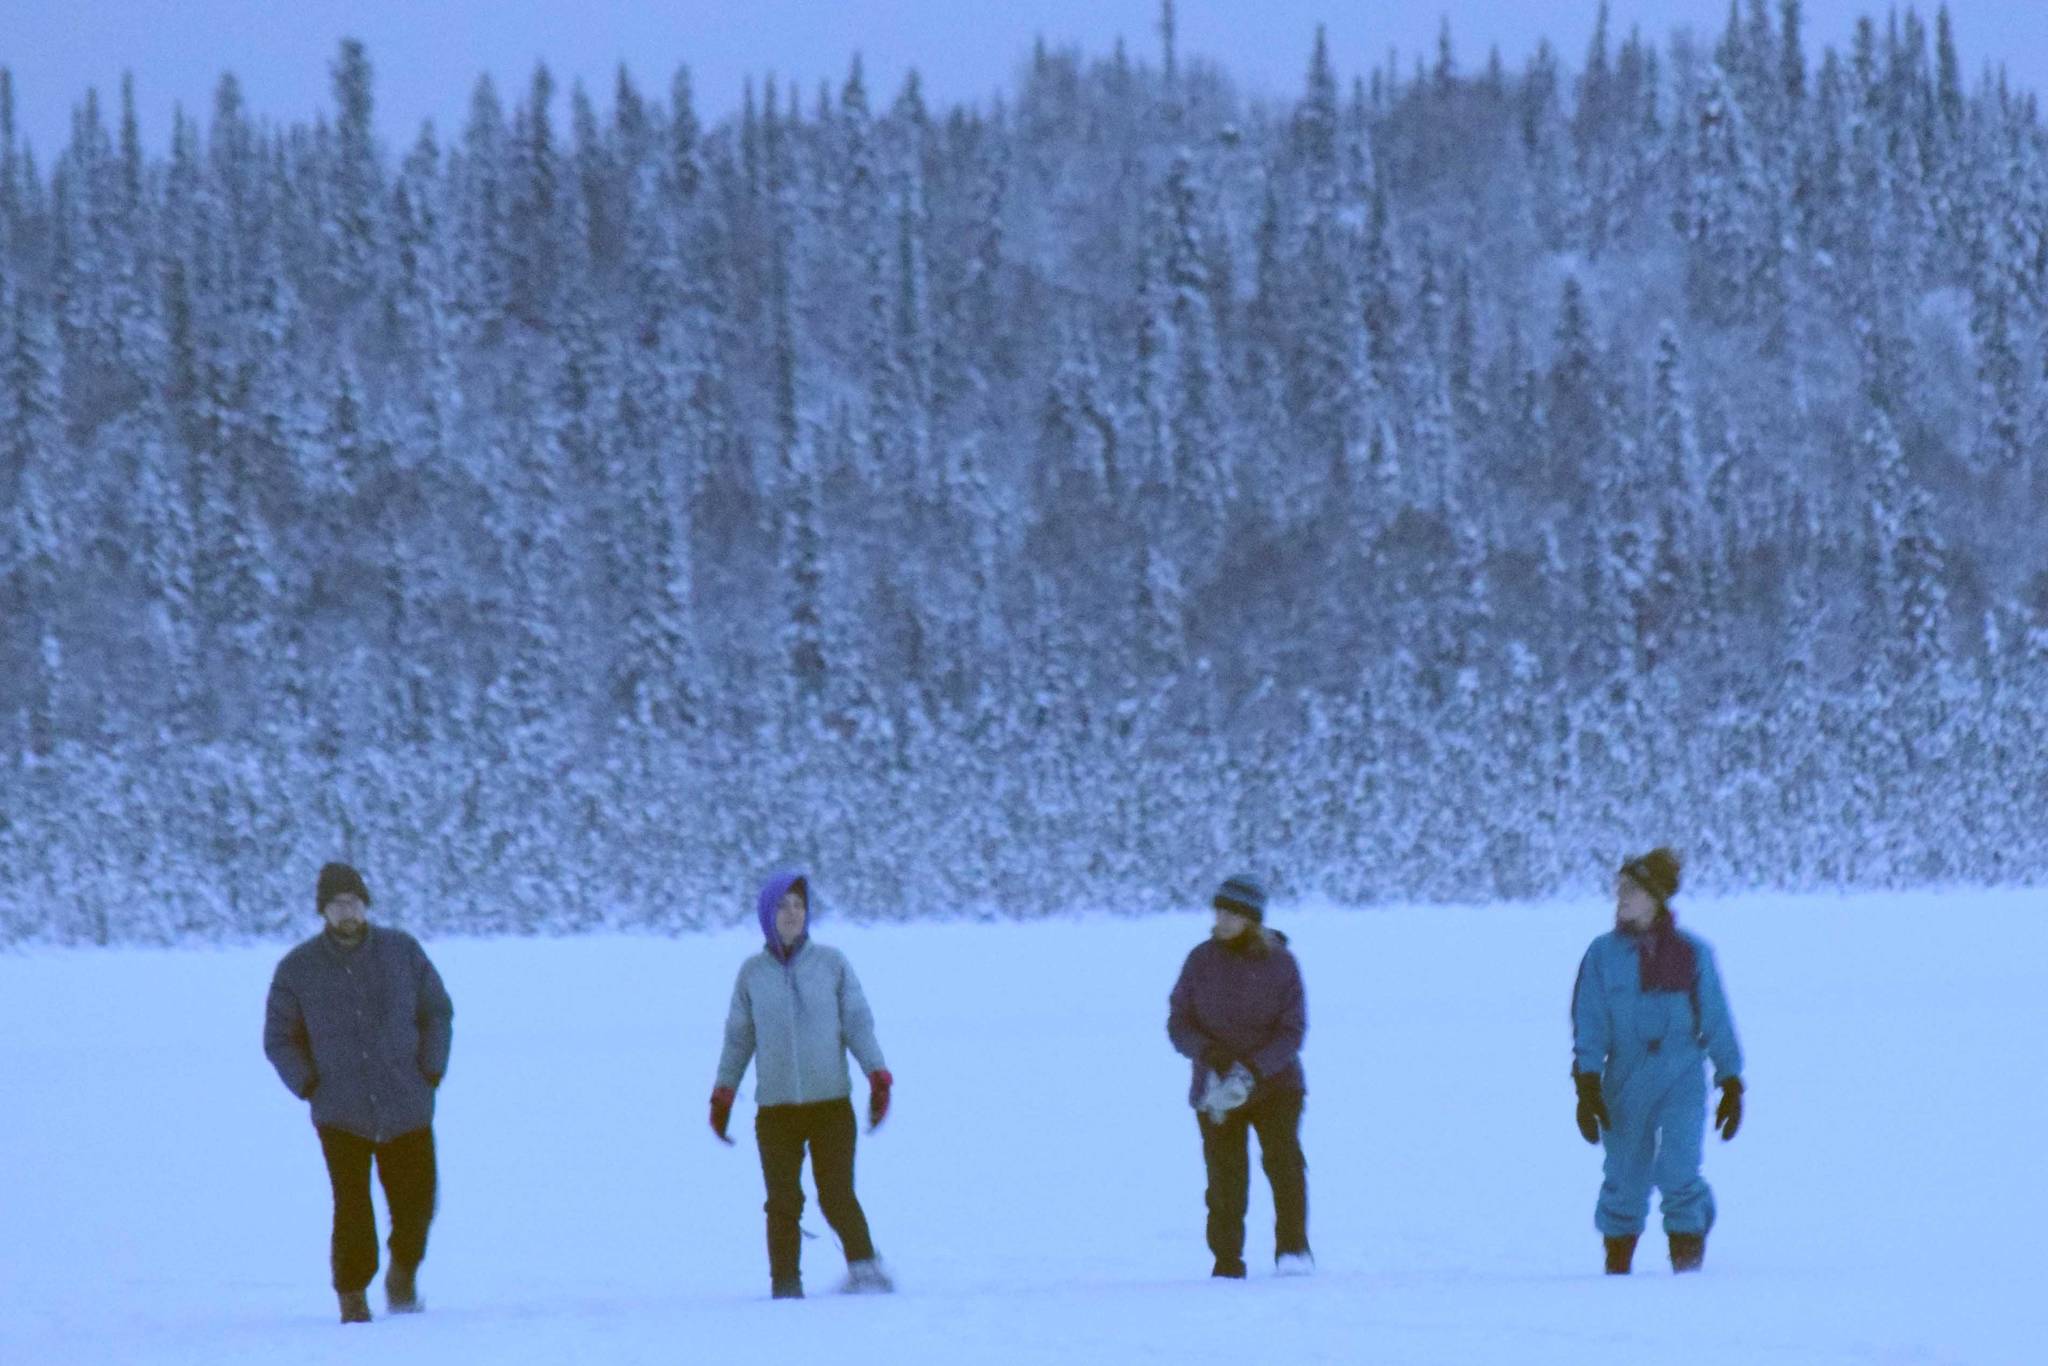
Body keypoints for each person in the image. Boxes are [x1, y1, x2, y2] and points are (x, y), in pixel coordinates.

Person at [264, 862, 454, 1323]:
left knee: (417, 1204)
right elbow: (279, 1038)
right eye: (336, 905)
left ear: (365, 904)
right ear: (322, 911)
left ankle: (402, 1276)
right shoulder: (298, 968)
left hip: (406, 1102)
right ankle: (352, 1296)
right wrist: (309, 1083)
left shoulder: (402, 951)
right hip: (340, 1110)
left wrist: (429, 1070)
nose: (346, 912)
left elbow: (437, 1013)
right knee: (352, 1208)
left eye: (352, 902)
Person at [711, 871, 895, 1300]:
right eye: (783, 906)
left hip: (831, 1104)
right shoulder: (752, 974)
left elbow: (858, 1023)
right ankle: (786, 1288)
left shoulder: (832, 964)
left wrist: (877, 1075)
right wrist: (723, 1092)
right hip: (776, 1111)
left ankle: (866, 1273)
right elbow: (739, 1039)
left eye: (798, 905)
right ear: (767, 914)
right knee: (782, 1202)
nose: (792, 914)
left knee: (835, 1193)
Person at [1570, 848, 1744, 1275]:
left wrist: (1731, 1080)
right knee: (1625, 1178)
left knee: (1678, 1170)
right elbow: (1589, 1023)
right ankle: (1617, 1271)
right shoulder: (1601, 955)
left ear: (1656, 895)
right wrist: (1587, 1084)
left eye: (1631, 890)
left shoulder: (1693, 954)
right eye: (1618, 890)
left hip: (1682, 1077)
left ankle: (1686, 1269)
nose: (1621, 898)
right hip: (1624, 1083)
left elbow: (1717, 1019)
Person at [1167, 874, 1312, 1279]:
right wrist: (1210, 1052)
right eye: (1219, 911)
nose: (1223, 919)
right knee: (1225, 1180)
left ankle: (1292, 1250)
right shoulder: (1200, 960)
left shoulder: (1281, 963)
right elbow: (1178, 1022)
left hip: (1276, 1086)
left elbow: (1293, 1030)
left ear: (1252, 918)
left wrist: (1253, 1068)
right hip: (1215, 1091)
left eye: (1233, 913)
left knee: (1284, 1165)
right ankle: (1227, 1261)